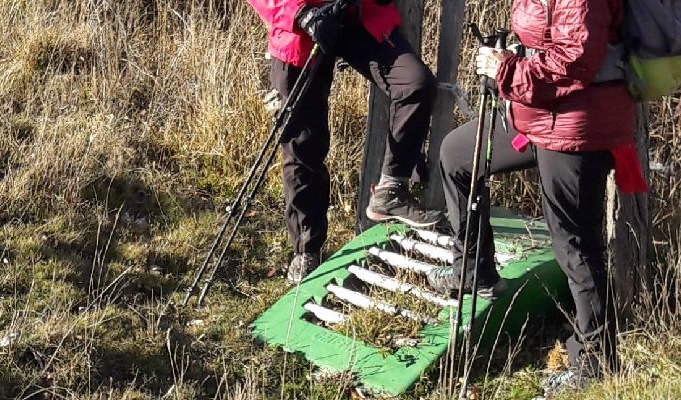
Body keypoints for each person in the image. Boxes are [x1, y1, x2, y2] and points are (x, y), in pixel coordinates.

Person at [436, 0, 644, 389]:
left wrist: (505, 70)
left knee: (575, 243)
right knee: (457, 155)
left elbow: (575, 62)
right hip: (535, 113)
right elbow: (551, 44)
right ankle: (474, 272)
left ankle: (597, 363)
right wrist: (516, 55)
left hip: (577, 124)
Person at [247, 0, 444, 282]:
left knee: (414, 83)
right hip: (300, 28)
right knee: (302, 139)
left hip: (358, 14)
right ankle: (306, 247)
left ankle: (391, 189)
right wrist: (301, 15)